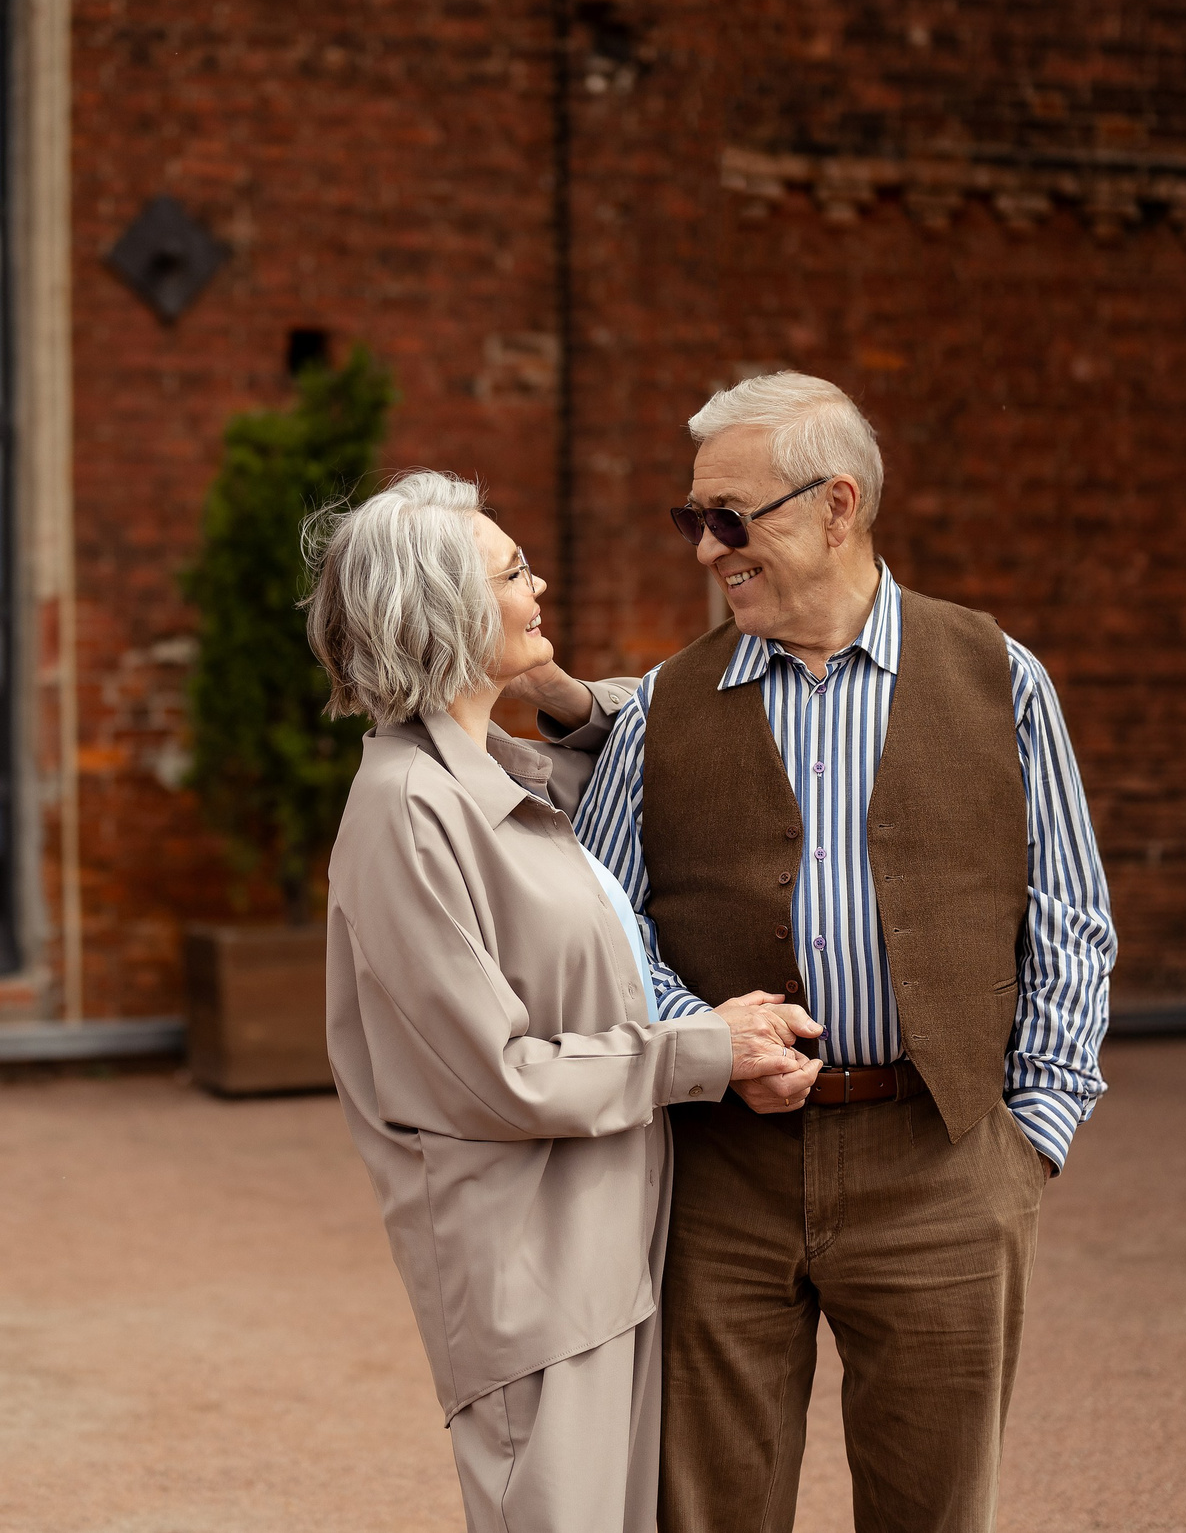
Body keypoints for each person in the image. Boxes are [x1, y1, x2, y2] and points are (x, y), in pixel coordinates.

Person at [523, 371, 1117, 1533]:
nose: (708, 548)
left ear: (836, 505)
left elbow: (1068, 914)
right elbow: (604, 922)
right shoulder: (666, 704)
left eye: (730, 516)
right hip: (722, 1174)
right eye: (693, 518)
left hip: (942, 1158)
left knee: (934, 1511)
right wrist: (703, 1037)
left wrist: (1031, 1134)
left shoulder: (998, 674)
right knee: (709, 1508)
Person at [310, 470, 819, 1533]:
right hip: (529, 1278)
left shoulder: (500, 775)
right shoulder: (407, 809)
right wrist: (708, 1047)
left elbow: (658, 735)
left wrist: (556, 687)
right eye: (513, 573)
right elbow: (495, 1073)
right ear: (448, 611)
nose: (538, 586)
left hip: (604, 1252)